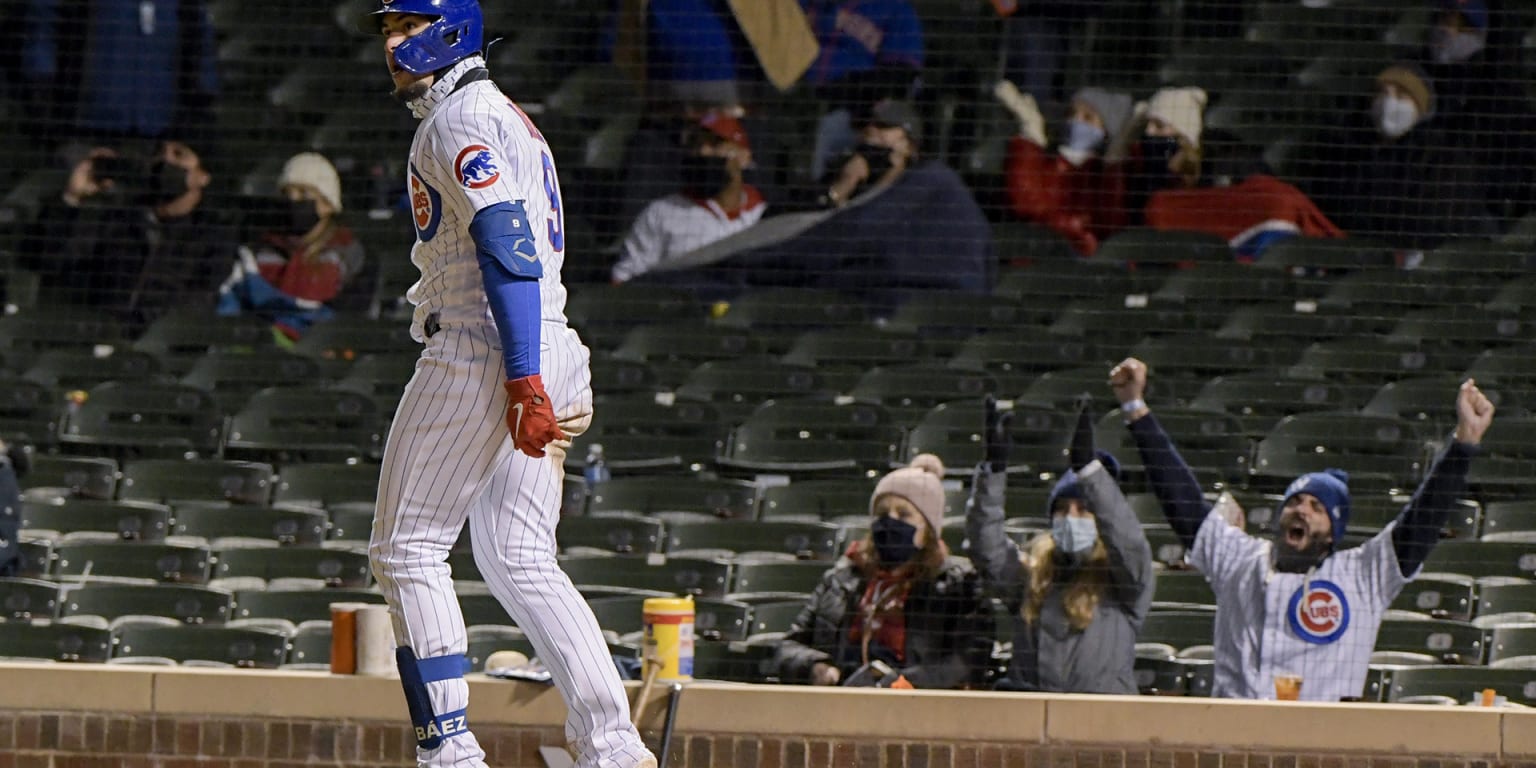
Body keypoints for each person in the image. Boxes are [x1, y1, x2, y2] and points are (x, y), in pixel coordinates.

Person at [358, 3, 656, 768]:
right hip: (547, 339)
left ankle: (449, 751)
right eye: (386, 29)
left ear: (452, 26)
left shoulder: (457, 118)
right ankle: (614, 747)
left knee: (407, 548)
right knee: (520, 556)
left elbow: (506, 243)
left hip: (489, 344)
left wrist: (521, 377)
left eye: (407, 25)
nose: (393, 44)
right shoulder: (506, 115)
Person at [1108, 357, 1496, 701]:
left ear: (1333, 531)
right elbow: (1183, 501)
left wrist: (1463, 445)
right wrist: (1134, 408)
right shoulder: (1239, 559)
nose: (1302, 511)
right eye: (1294, 501)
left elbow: (1421, 521)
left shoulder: (1362, 575)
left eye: (1317, 507)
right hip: (1234, 745)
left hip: (1321, 749)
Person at [967, 397, 1153, 693]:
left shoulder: (1125, 582)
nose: (1071, 517)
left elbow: (1128, 541)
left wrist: (1089, 472)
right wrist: (993, 471)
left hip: (1103, 725)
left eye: (1084, 508)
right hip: (1030, 722)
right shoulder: (1031, 577)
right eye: (1062, 509)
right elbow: (985, 548)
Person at [775, 454, 995, 689]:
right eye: (882, 513)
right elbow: (788, 648)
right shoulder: (840, 580)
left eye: (903, 514)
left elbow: (969, 658)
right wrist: (817, 667)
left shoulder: (959, 584)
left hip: (918, 708)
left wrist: (907, 682)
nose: (890, 521)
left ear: (928, 530)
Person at [21, 139, 229, 330]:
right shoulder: (117, 216)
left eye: (178, 154)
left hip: (157, 348)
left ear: (202, 176)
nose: (165, 160)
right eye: (159, 152)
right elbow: (48, 262)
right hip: (91, 338)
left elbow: (198, 301)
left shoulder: (213, 235)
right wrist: (72, 199)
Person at [1298, 63, 1494, 252]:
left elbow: (1431, 224)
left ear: (1421, 107)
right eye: (1381, 93)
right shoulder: (1350, 150)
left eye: (1401, 95)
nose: (1388, 102)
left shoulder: (1444, 158)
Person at [216, 152, 367, 342]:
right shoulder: (263, 247)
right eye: (287, 194)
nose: (293, 201)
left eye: (303, 194)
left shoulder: (346, 251)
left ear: (328, 204)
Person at [20, 0, 218, 143]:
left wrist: (196, 123)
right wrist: (46, 115)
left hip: (163, 135)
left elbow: (201, 44)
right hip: (86, 132)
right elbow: (41, 34)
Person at [610, 110, 766, 284]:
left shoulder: (763, 213)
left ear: (744, 156)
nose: (703, 151)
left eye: (715, 143)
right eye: (696, 144)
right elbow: (623, 279)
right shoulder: (663, 212)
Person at [1142, 130, 1344, 260]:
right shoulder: (1164, 183)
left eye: (1172, 148)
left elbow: (1268, 192)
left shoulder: (1232, 159)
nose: (1169, 164)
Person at [1419, 0, 1536, 223]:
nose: (1447, 30)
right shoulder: (1418, 76)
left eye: (1461, 25)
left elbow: (1505, 44)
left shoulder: (1497, 90)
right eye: (1445, 19)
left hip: (1480, 209)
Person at [995, 80, 1134, 256]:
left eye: (1088, 118)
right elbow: (1024, 201)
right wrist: (1029, 138)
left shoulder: (1102, 174)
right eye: (1071, 113)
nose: (1075, 121)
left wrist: (1115, 161)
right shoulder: (1048, 163)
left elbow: (1110, 220)